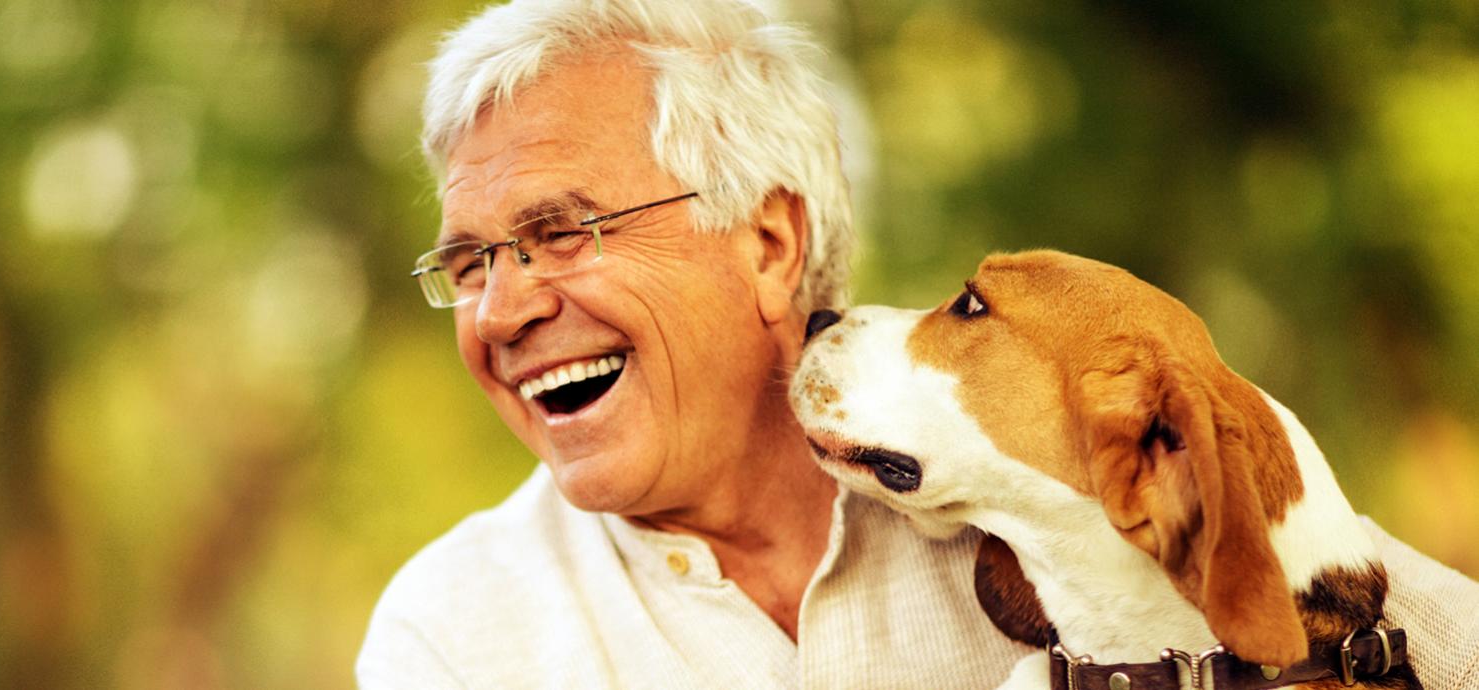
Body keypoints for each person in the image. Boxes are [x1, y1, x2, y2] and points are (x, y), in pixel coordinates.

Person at [358, 0, 1479, 687]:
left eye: (561, 232)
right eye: (468, 263)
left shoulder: (1035, 460)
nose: (500, 310)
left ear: (765, 240)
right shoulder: (454, 634)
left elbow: (1405, 620)